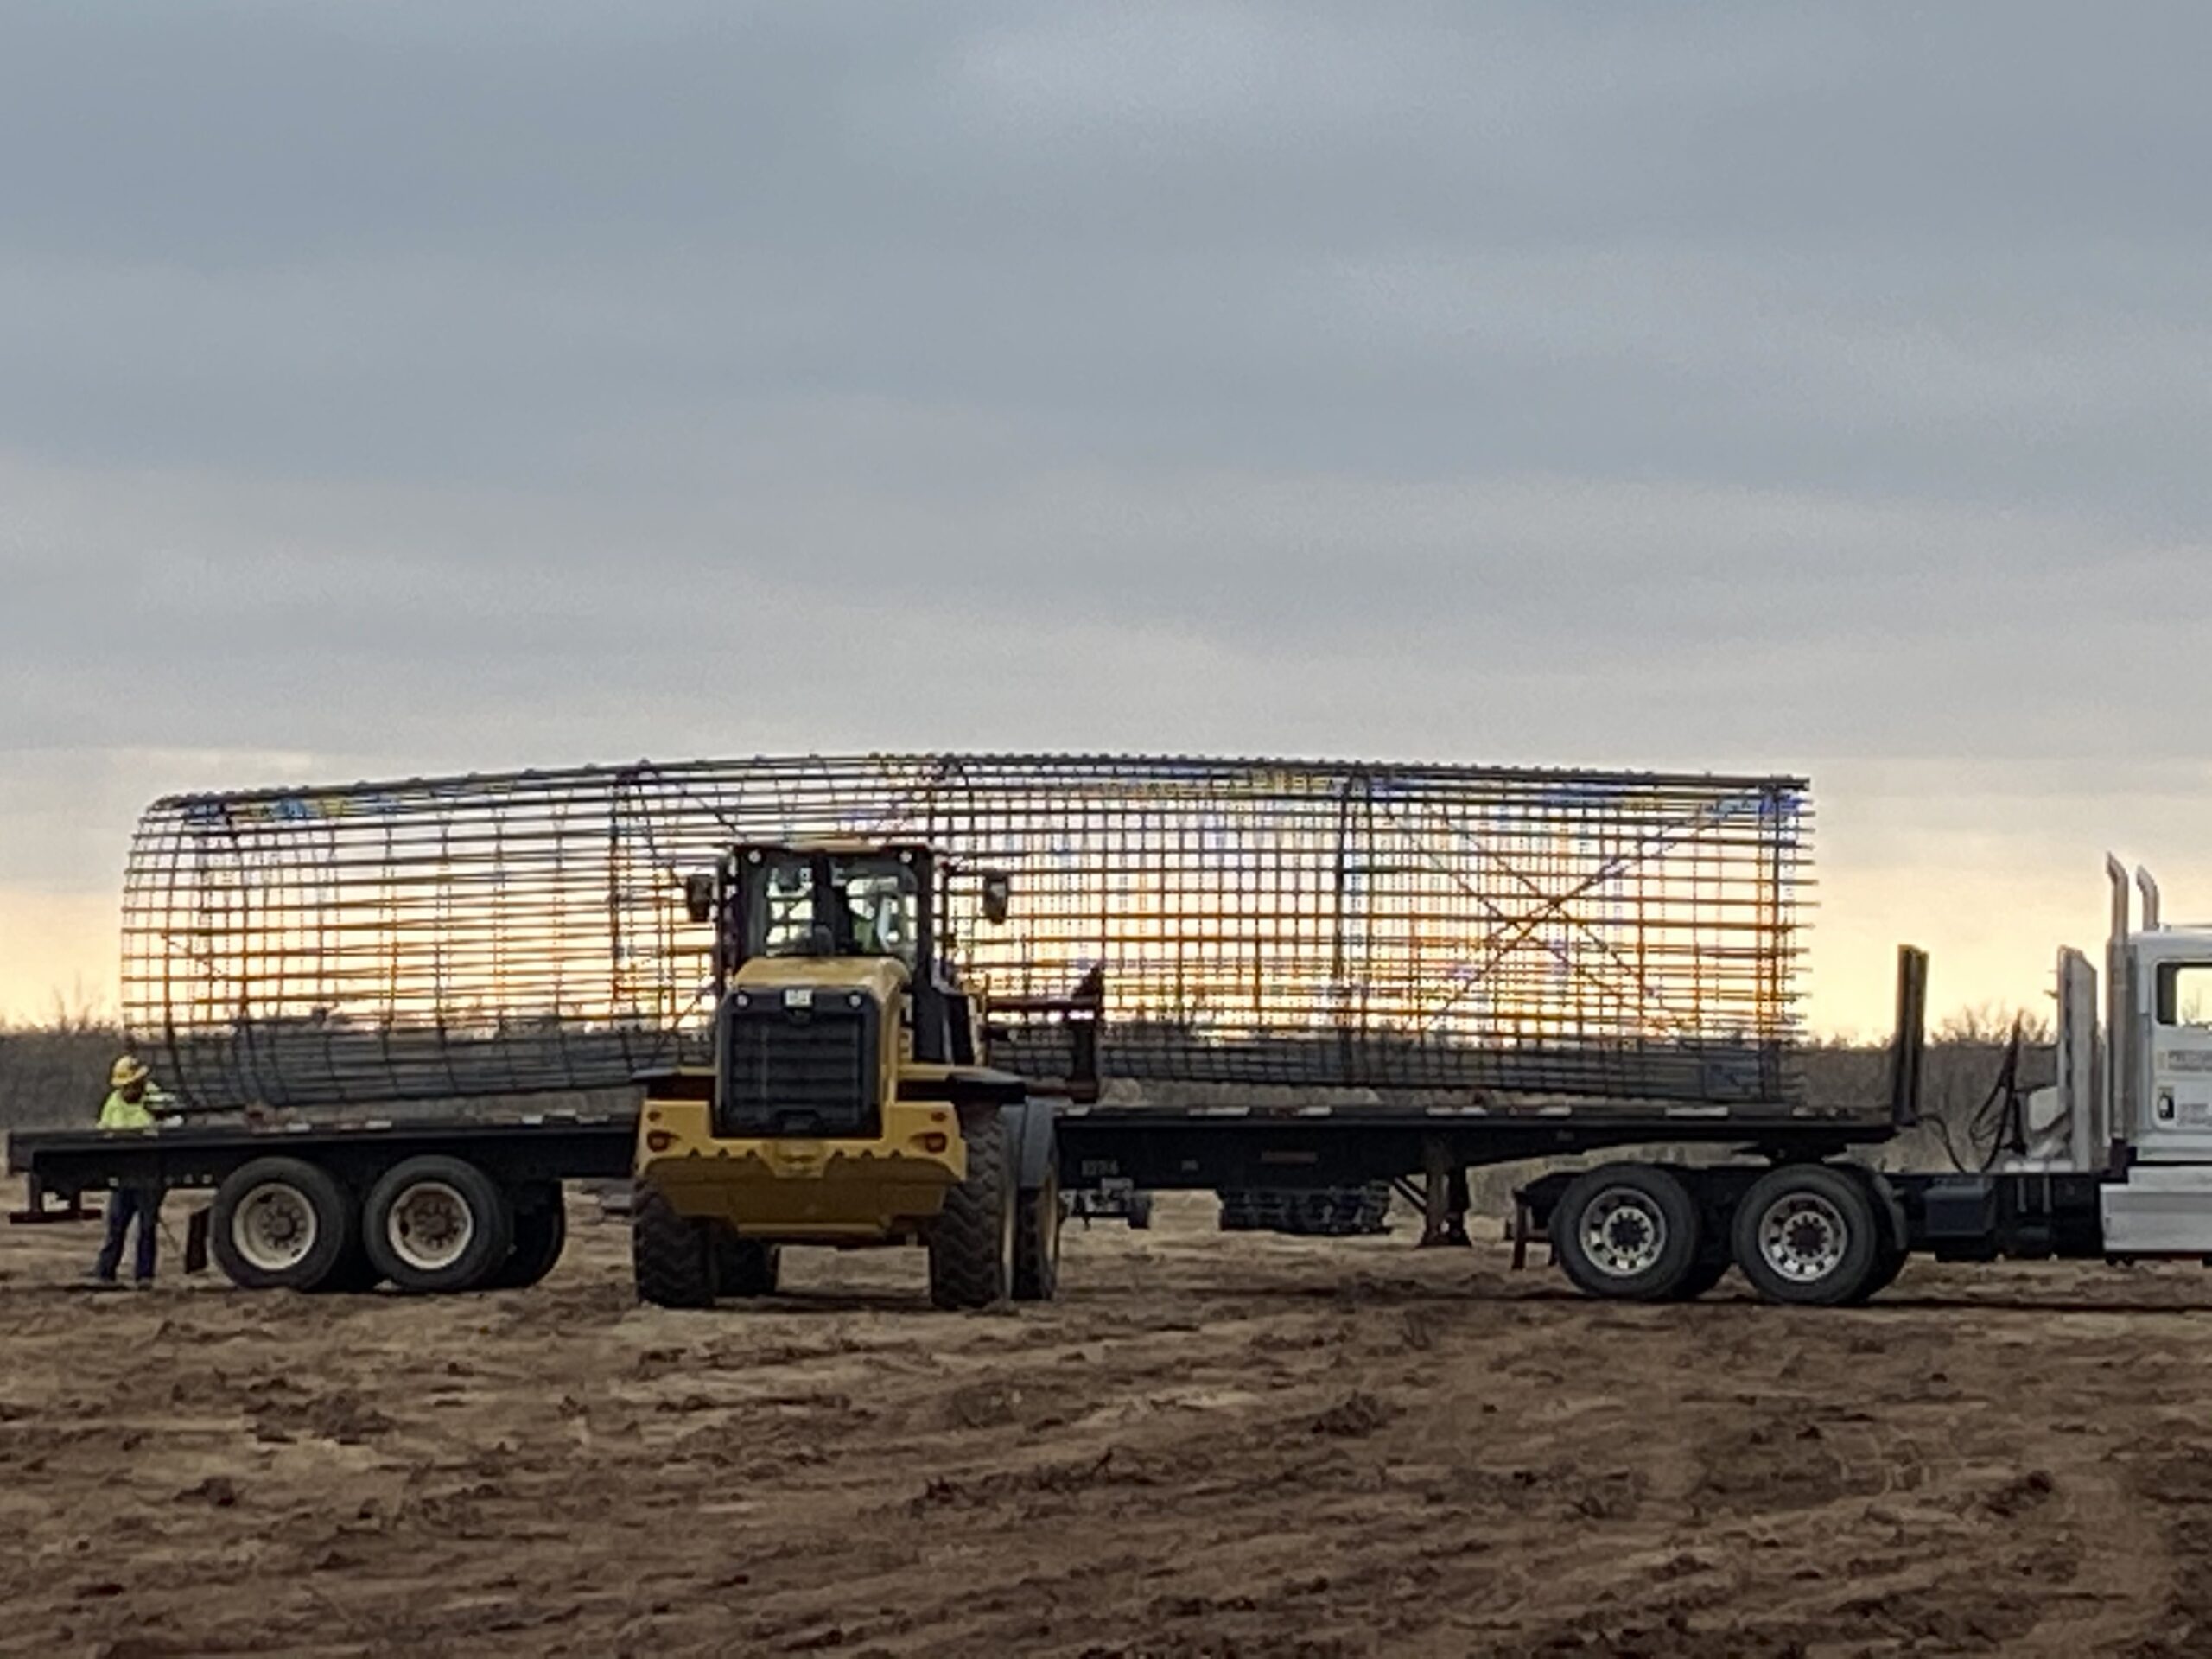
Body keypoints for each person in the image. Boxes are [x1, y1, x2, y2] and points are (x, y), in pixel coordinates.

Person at [91, 1056, 166, 1288]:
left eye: (136, 1083)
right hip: (123, 1174)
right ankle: (105, 1272)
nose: (132, 1088)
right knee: (116, 1224)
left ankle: (144, 1276)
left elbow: (172, 1122)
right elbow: (104, 1132)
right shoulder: (113, 1103)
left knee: (146, 1227)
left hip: (150, 1172)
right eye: (128, 1085)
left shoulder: (155, 1098)